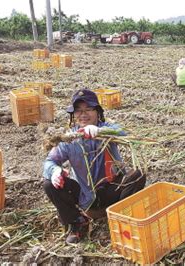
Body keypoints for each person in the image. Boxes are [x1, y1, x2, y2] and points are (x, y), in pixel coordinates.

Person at [43, 89, 146, 244]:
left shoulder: (106, 129)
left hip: (112, 190)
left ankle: (121, 217)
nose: (83, 114)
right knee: (49, 184)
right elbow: (49, 162)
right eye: (78, 111)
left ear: (97, 111)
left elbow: (124, 134)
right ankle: (77, 221)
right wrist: (55, 171)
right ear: (73, 115)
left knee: (138, 175)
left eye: (88, 109)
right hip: (86, 195)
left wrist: (101, 131)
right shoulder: (69, 139)